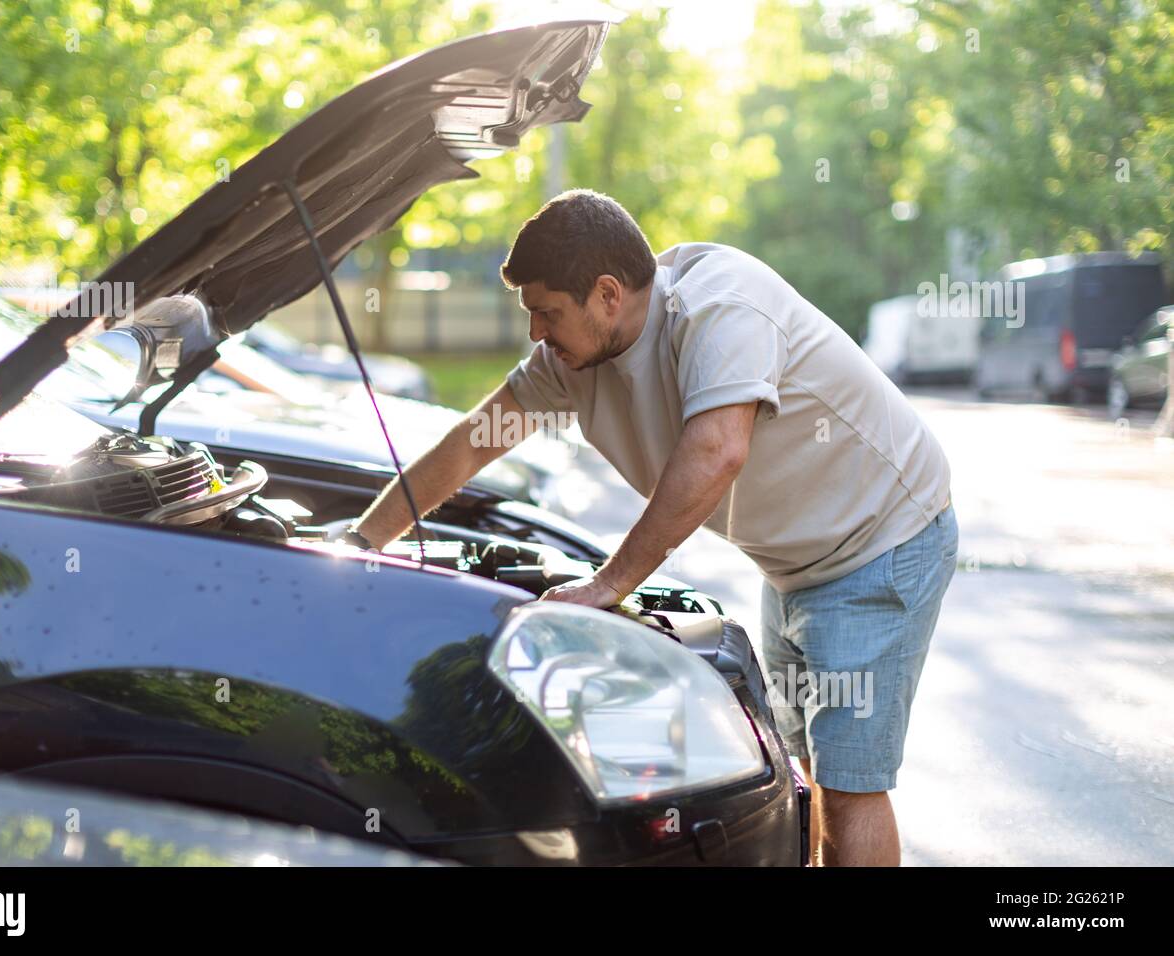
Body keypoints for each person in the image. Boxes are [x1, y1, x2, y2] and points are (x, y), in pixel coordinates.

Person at [346, 189, 958, 866]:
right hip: (795, 564)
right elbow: (473, 442)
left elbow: (717, 451)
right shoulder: (571, 362)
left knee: (849, 783)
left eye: (547, 313)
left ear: (607, 294)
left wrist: (607, 584)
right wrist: (363, 540)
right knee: (807, 766)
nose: (535, 334)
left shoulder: (722, 307)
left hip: (882, 541)